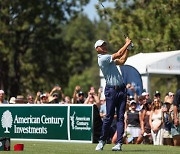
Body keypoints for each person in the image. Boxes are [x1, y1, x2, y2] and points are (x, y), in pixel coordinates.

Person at [94, 37, 131, 151]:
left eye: (105, 45)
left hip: (121, 90)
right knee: (109, 117)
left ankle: (119, 143)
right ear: (97, 49)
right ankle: (102, 141)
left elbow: (122, 60)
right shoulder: (102, 59)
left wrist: (128, 48)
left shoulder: (109, 59)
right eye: (102, 46)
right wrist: (126, 43)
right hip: (111, 90)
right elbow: (119, 54)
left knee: (120, 117)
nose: (104, 47)